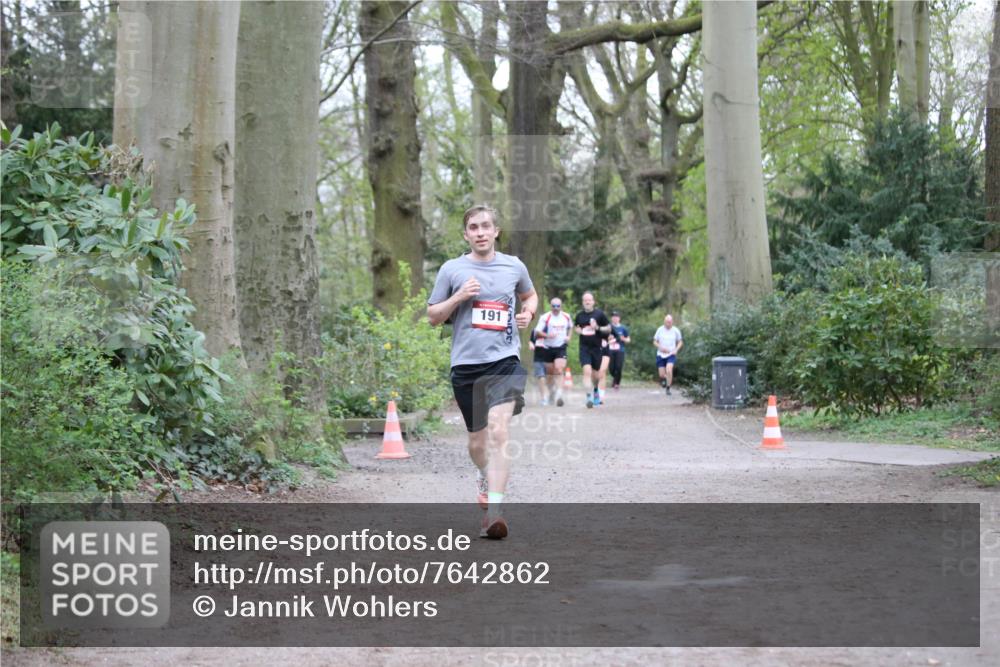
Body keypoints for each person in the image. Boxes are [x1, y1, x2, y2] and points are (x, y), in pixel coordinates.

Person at [427, 204, 538, 540]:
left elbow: (530, 296)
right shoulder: (452, 269)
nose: (480, 232)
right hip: (466, 366)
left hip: (505, 361)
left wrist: (527, 314)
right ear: (466, 234)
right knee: (477, 443)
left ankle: (495, 512)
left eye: (485, 226)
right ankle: (483, 475)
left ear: (496, 231)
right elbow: (433, 316)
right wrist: (460, 296)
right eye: (473, 227)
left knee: (499, 430)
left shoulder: (513, 266)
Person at [573, 292, 611, 408]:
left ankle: (595, 390)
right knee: (587, 371)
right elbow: (576, 327)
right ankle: (589, 396)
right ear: (583, 302)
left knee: (596, 375)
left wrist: (598, 328)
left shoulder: (600, 314)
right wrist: (577, 330)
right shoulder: (580, 315)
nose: (587, 302)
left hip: (597, 348)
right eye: (585, 300)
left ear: (593, 302)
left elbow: (608, 329)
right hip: (584, 348)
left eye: (589, 300)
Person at [533, 297, 573, 407]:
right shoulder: (545, 317)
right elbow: (537, 332)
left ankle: (559, 395)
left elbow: (570, 327)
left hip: (561, 347)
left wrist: (568, 337)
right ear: (550, 306)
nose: (556, 308)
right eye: (553, 306)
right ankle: (551, 392)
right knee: (550, 374)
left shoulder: (566, 316)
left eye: (558, 306)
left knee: (559, 369)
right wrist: (547, 335)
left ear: (561, 307)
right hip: (547, 348)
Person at [652, 314, 683, 396]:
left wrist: (676, 350)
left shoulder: (676, 330)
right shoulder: (660, 329)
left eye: (669, 322)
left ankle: (668, 388)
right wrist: (660, 347)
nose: (668, 324)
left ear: (672, 322)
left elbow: (680, 342)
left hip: (671, 354)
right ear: (664, 322)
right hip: (660, 354)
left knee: (669, 370)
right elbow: (654, 341)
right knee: (661, 375)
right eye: (666, 322)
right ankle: (665, 379)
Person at [608, 310, 631, 389]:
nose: (614, 318)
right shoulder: (608, 327)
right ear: (611, 318)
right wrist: (608, 338)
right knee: (611, 368)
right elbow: (602, 337)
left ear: (619, 318)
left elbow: (628, 340)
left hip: (620, 350)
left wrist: (623, 339)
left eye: (616, 317)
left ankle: (616, 383)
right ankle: (615, 378)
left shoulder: (623, 328)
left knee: (618, 366)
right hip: (610, 349)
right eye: (613, 317)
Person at [528, 329, 548, 405]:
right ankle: (544, 398)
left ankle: (551, 394)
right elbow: (531, 341)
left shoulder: (551, 328)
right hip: (538, 358)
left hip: (550, 358)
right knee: (541, 377)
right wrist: (531, 344)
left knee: (550, 378)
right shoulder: (535, 331)